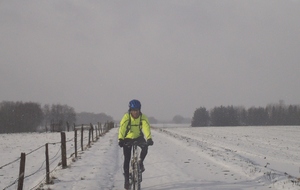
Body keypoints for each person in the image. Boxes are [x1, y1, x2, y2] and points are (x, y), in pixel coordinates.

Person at [118, 99, 154, 189]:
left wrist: (149, 138)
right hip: (127, 138)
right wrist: (121, 139)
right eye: (133, 110)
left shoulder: (143, 117)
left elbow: (146, 127)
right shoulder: (126, 117)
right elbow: (122, 128)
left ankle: (140, 161)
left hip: (138, 137)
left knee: (145, 147)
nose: (135, 112)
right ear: (130, 110)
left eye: (137, 110)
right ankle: (126, 179)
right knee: (127, 158)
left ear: (139, 110)